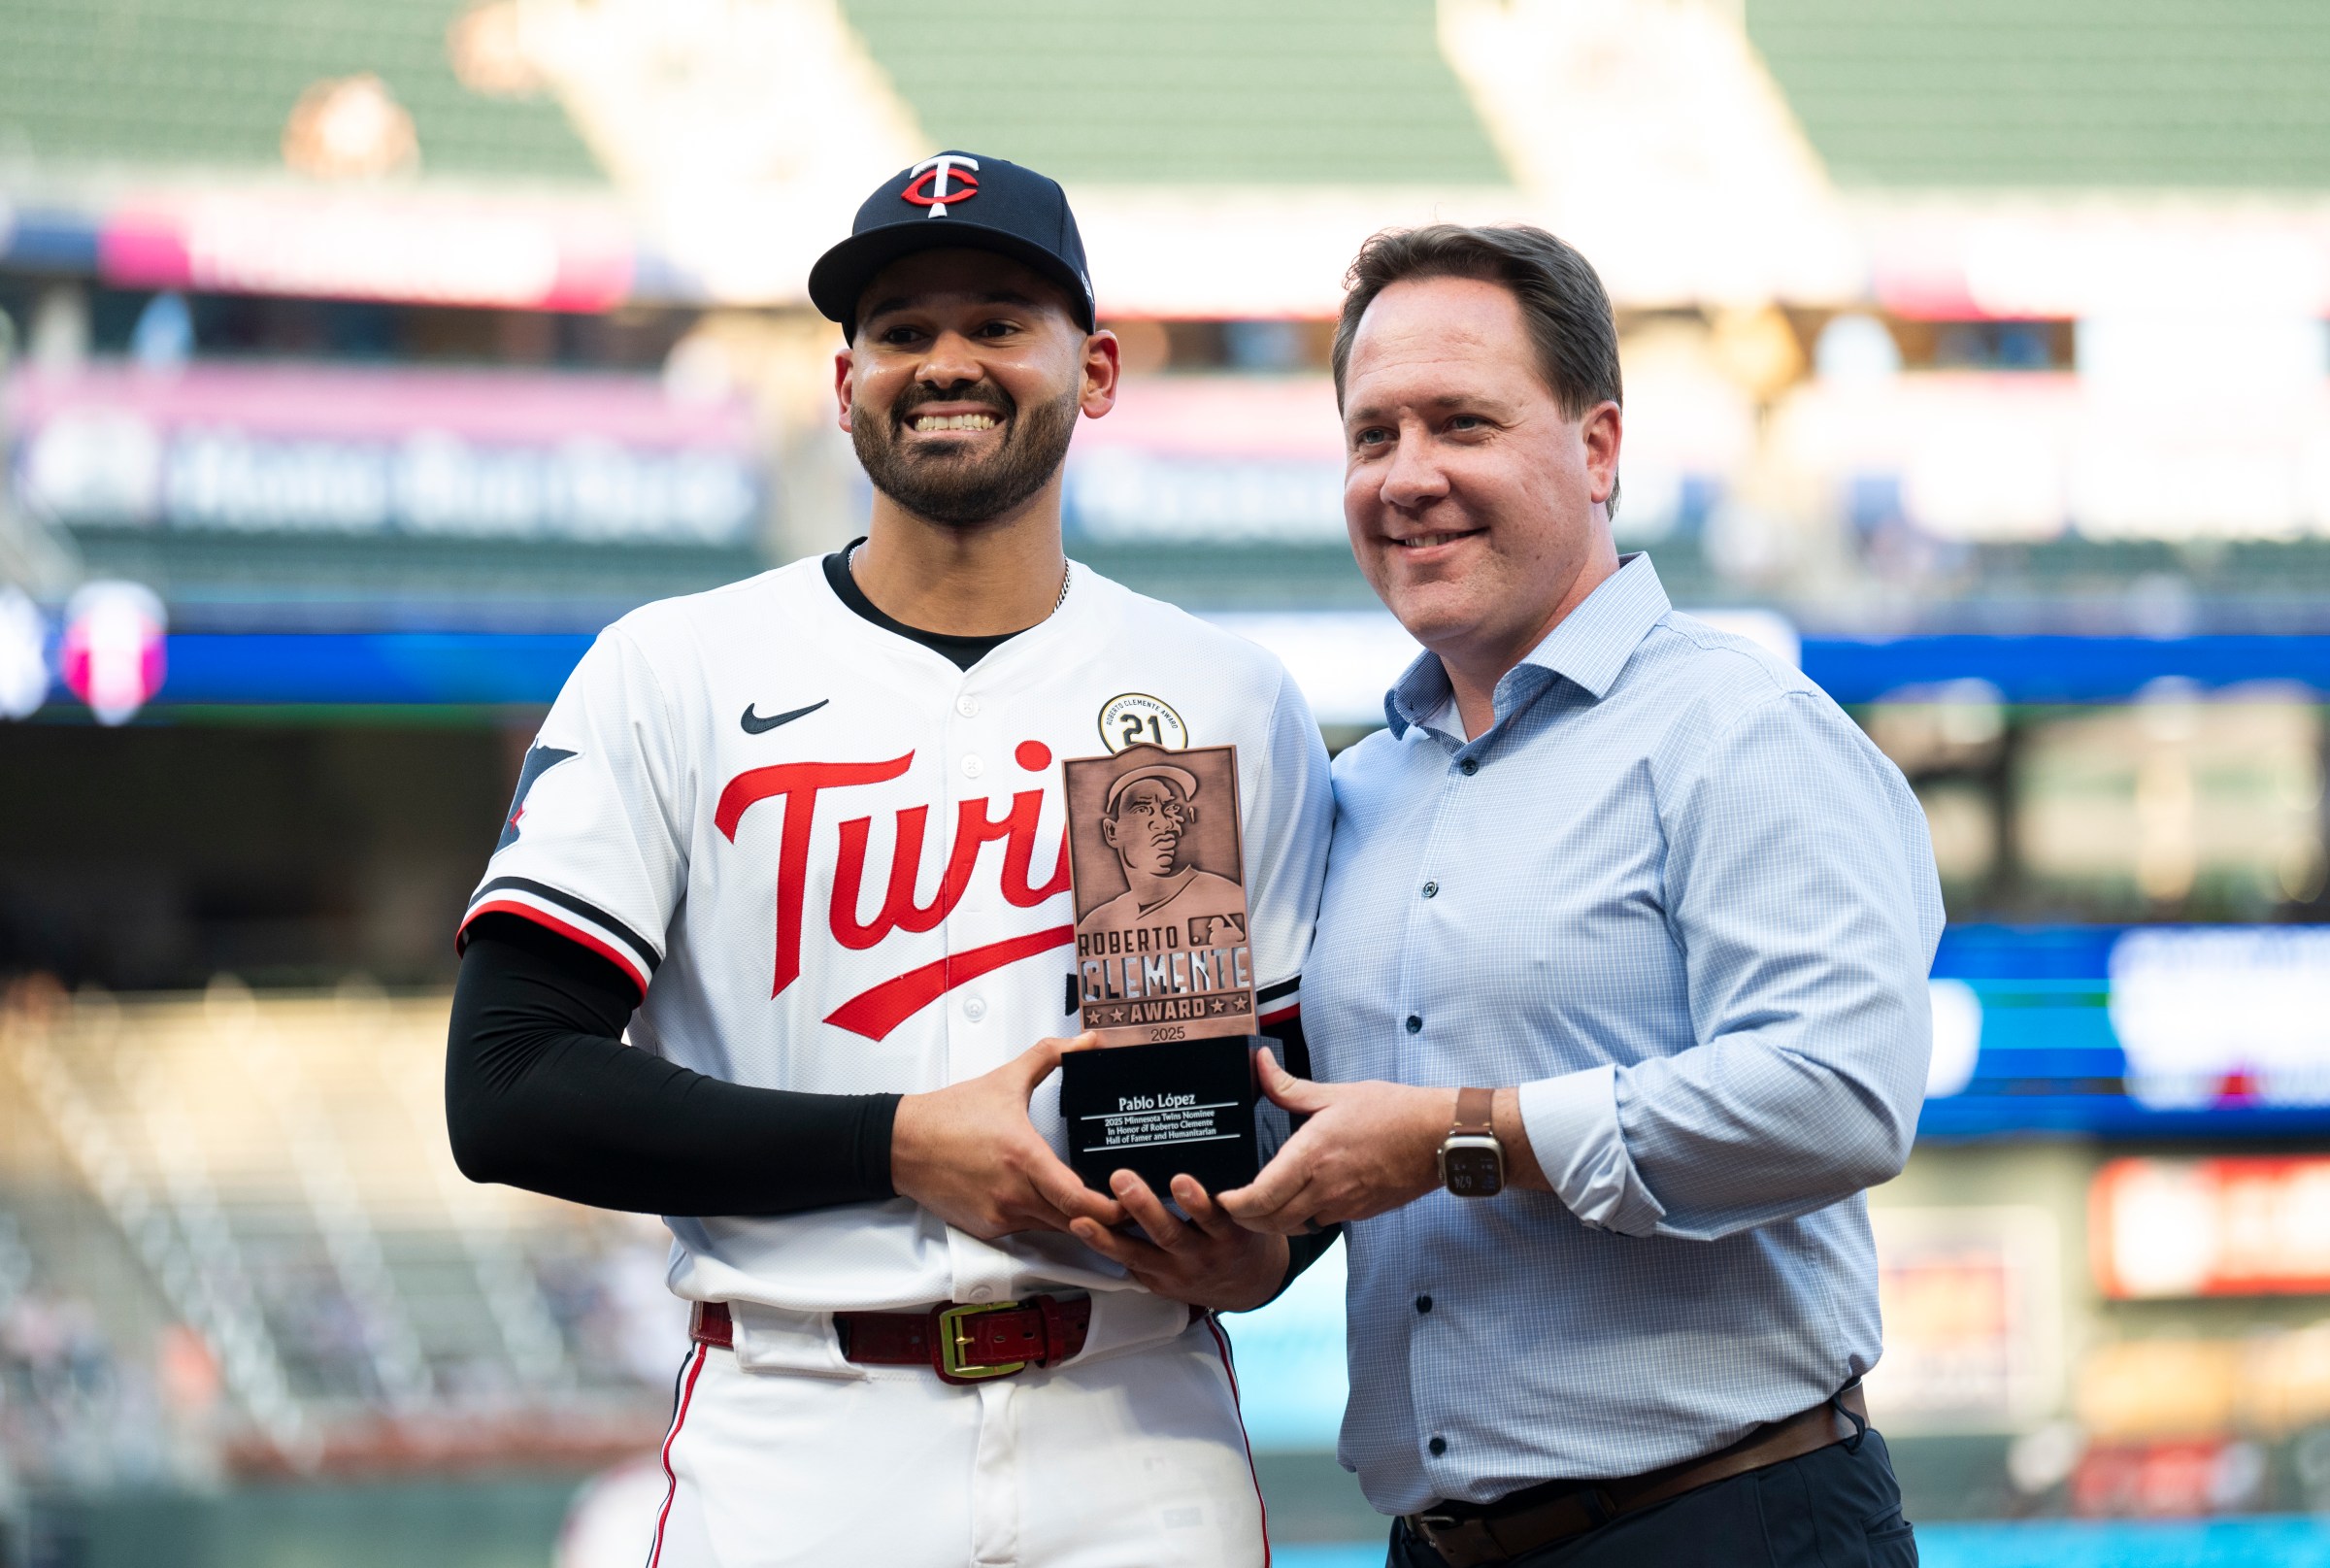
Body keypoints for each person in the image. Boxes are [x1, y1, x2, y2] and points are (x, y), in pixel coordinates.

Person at [443, 151, 1332, 1567]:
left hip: (1134, 1416)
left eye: (998, 322)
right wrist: (897, 1143)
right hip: (800, 1416)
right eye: (902, 328)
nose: (946, 361)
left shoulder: (1219, 692)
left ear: (1097, 370)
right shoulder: (672, 668)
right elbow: (505, 1086)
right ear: (844, 379)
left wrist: (1270, 1249)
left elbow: (1291, 1089)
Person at [1218, 224, 1943, 1568]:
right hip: (1436, 1540)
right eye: (1372, 435)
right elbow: (1344, 1147)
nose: (1408, 476)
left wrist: (1460, 1135)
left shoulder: (1741, 728)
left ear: (1599, 447)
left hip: (1727, 1522)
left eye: (1462, 422)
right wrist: (1242, 1235)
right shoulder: (1359, 790)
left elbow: (1839, 1092)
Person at [1075, 763, 1248, 943]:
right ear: (1111, 832)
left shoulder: (1225, 898)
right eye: (1142, 810)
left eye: (1170, 809)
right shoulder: (1096, 924)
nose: (1163, 824)